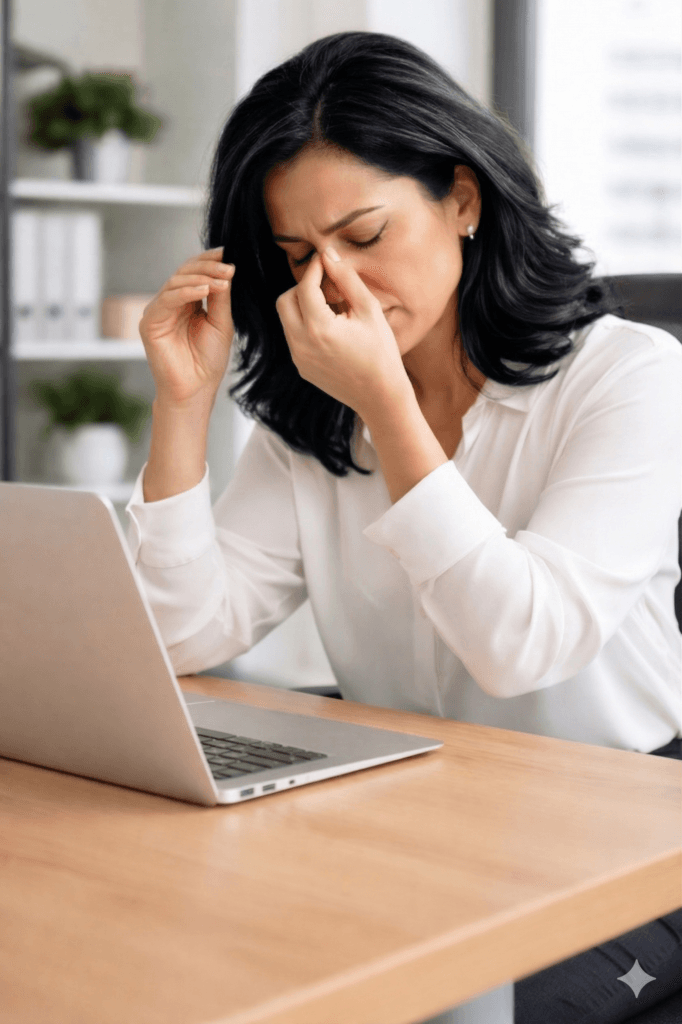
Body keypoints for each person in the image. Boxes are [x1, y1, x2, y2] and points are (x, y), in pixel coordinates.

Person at [127, 31, 682, 1024]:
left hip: (622, 833)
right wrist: (181, 407)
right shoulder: (314, 422)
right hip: (415, 817)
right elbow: (175, 636)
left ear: (462, 200)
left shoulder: (628, 376)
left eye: (364, 235)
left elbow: (524, 644)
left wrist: (389, 404)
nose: (332, 285)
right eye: (298, 255)